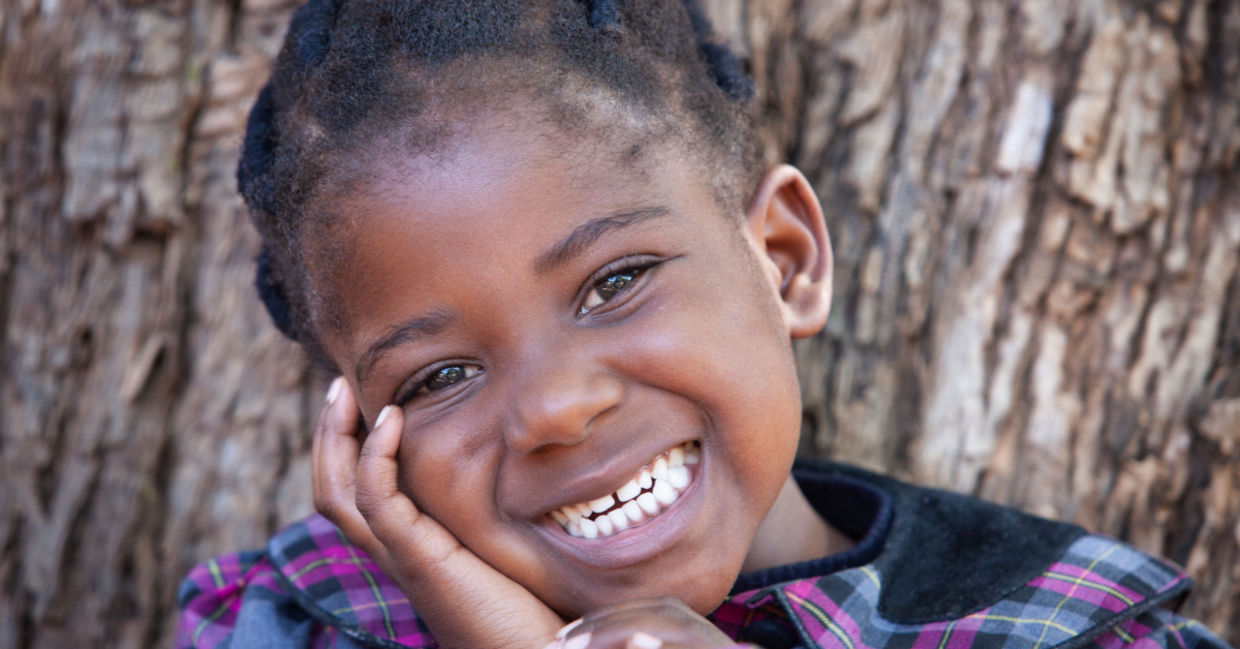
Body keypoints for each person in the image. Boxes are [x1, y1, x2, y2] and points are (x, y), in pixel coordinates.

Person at [175, 1, 1233, 648]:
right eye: (436, 377)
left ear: (784, 260)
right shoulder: (290, 628)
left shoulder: (1042, 627)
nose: (555, 407)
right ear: (359, 433)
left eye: (615, 280)